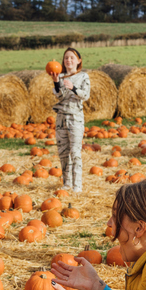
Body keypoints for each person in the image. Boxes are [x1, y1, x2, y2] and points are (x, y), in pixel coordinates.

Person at [50, 48, 90, 193]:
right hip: (61, 118)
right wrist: (56, 82)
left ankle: (77, 186)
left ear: (78, 60)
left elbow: (85, 95)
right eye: (66, 58)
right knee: (63, 152)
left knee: (75, 152)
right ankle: (67, 184)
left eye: (72, 58)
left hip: (75, 119)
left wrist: (73, 88)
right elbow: (59, 96)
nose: (69, 60)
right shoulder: (59, 76)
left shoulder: (83, 77)